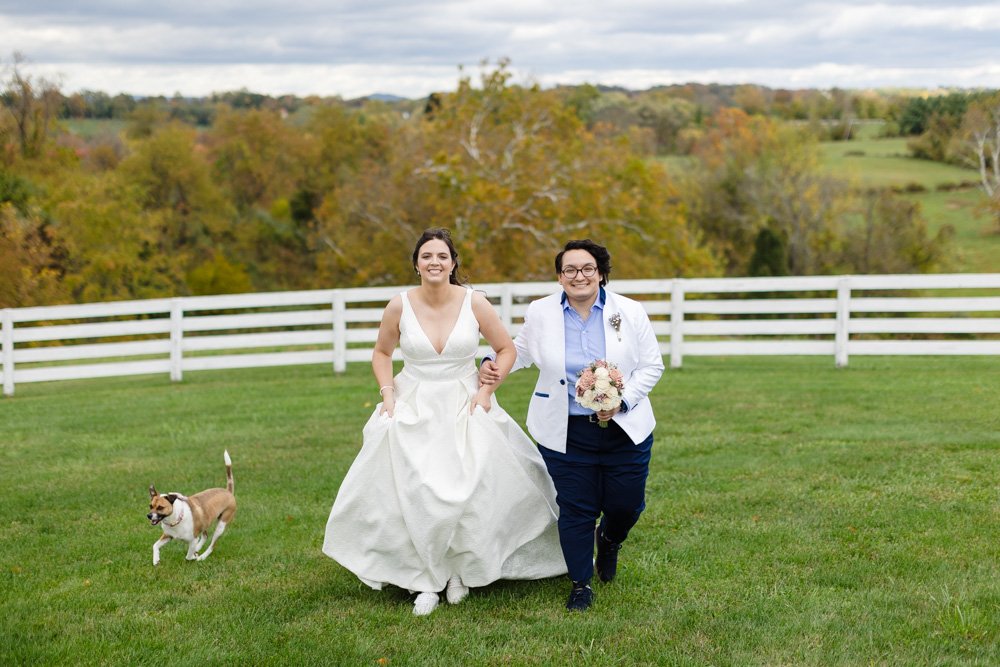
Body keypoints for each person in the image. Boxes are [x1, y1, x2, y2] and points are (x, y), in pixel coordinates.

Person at [323, 228, 566, 616]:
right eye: (426, 256)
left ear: (453, 264)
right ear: (416, 264)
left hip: (465, 400)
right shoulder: (398, 306)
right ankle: (424, 579)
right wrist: (388, 395)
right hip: (414, 402)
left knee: (469, 488)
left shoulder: (476, 303)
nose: (434, 262)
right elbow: (382, 353)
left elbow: (505, 349)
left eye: (441, 256)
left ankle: (459, 572)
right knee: (417, 490)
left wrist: (487, 390)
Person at [481, 239, 664, 611]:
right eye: (570, 270)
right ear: (560, 276)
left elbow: (651, 366)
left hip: (625, 429)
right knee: (576, 508)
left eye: (587, 269)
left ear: (600, 273)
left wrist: (621, 401)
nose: (578, 276)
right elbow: (522, 352)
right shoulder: (541, 312)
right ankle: (581, 582)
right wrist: (491, 363)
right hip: (564, 431)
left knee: (626, 505)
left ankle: (610, 540)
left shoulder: (628, 311)